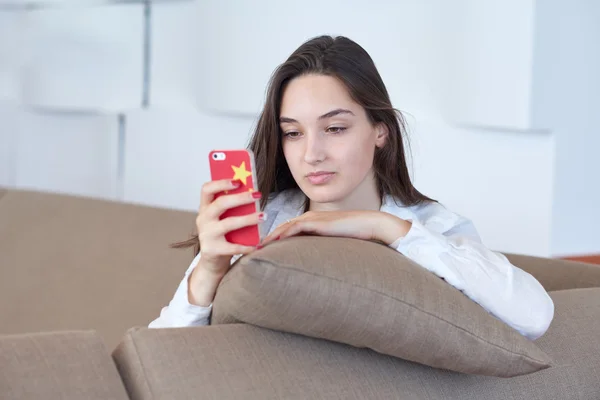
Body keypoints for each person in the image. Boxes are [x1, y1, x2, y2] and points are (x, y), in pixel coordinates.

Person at [149, 35, 554, 340]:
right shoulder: (265, 216)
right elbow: (162, 355)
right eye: (292, 133)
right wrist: (208, 271)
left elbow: (534, 316)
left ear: (380, 130)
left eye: (335, 128)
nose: (312, 154)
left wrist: (384, 228)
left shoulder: (430, 228)